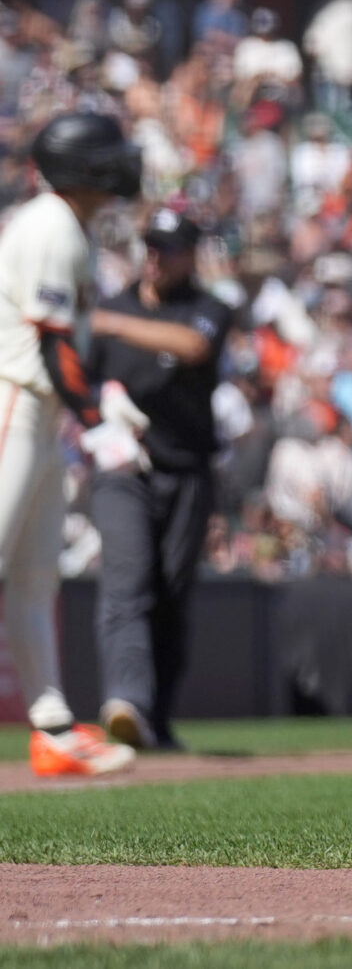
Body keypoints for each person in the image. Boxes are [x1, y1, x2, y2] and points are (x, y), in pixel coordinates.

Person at [0, 113, 142, 778]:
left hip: (40, 409)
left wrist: (98, 398)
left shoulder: (69, 223)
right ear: (83, 166)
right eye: (109, 156)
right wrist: (97, 420)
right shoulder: (52, 224)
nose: (122, 166)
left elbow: (69, 345)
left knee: (34, 578)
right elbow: (53, 346)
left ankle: (53, 727)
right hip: (14, 399)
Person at [88, 208, 233, 752]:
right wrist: (95, 425)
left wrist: (112, 325)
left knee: (171, 595)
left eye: (167, 248)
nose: (154, 256)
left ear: (190, 254)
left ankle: (157, 719)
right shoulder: (112, 306)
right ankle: (126, 701)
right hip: (123, 467)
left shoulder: (208, 310)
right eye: (149, 245)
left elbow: (194, 347)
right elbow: (78, 372)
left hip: (186, 471)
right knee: (128, 583)